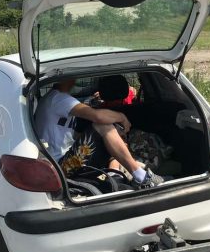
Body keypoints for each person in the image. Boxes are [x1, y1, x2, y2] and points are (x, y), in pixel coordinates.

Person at [35, 78, 164, 188]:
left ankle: (115, 174)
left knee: (107, 138)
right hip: (60, 168)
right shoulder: (59, 99)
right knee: (103, 126)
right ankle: (142, 177)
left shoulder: (51, 98)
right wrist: (122, 117)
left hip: (55, 166)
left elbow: (67, 137)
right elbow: (98, 116)